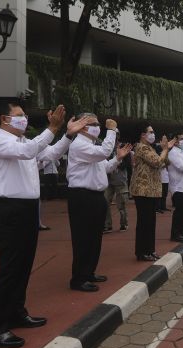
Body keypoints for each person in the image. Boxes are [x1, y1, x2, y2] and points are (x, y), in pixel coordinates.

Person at [0, 103, 90, 348]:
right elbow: (33, 149)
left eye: (24, 116)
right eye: (19, 116)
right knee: (9, 269)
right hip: (9, 208)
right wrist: (52, 128)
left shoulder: (22, 144)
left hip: (27, 209)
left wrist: (67, 135)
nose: (24, 120)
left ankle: (16, 313)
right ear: (4, 118)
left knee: (23, 266)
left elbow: (47, 154)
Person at [67, 115, 131, 292]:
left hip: (96, 196)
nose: (97, 127)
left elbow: (106, 167)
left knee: (94, 238)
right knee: (83, 238)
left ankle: (89, 272)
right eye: (93, 124)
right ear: (82, 127)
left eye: (98, 124)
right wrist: (111, 130)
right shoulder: (79, 145)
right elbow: (104, 152)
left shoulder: (92, 146)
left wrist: (118, 158)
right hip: (82, 196)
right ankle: (78, 279)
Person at [130, 125, 173, 261]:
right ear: (143, 135)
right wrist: (165, 150)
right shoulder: (141, 147)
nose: (153, 134)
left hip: (151, 190)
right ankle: (142, 252)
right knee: (144, 222)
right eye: (151, 132)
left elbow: (166, 162)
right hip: (142, 190)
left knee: (151, 221)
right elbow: (156, 162)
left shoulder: (151, 148)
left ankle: (150, 250)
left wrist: (166, 150)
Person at [104, 133, 131, 233]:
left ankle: (124, 223)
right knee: (105, 201)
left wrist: (116, 162)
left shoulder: (123, 147)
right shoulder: (107, 148)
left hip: (120, 180)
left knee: (121, 204)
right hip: (109, 181)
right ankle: (107, 225)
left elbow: (127, 164)